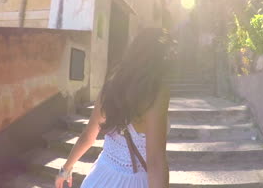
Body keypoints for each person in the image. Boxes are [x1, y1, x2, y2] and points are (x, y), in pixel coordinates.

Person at [55, 28, 174, 188]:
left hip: (99, 177)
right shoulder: (156, 94)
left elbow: (88, 137)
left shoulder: (111, 87)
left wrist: (65, 170)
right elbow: (155, 160)